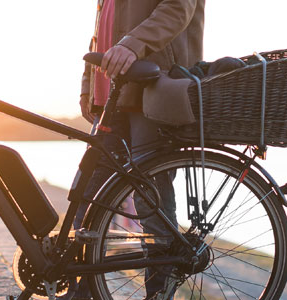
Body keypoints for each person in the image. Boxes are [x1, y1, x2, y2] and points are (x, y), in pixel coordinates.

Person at [73, 0, 205, 299]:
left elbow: (177, 8)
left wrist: (133, 45)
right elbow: (102, 27)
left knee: (151, 204)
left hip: (155, 90)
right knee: (86, 197)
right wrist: (89, 84)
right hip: (113, 96)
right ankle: (78, 293)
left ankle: (159, 294)